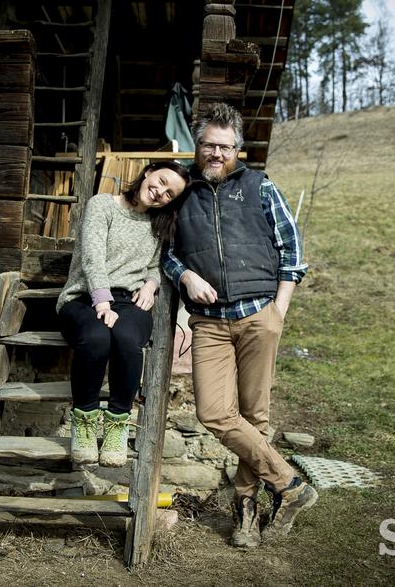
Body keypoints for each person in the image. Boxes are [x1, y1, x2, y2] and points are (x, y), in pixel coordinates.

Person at [161, 103, 317, 548]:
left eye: (224, 146)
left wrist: (279, 311)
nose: (215, 153)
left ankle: (245, 511)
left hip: (258, 317)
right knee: (214, 412)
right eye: (208, 144)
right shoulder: (182, 190)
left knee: (254, 416)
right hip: (209, 323)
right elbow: (165, 250)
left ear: (238, 149)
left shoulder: (260, 186)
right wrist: (184, 275)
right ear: (198, 145)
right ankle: (290, 485)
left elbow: (292, 251)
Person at [57, 161, 190, 468]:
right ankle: (85, 422)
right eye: (160, 182)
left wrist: (152, 284)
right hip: (84, 297)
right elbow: (92, 257)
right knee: (96, 336)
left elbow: (158, 264)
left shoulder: (159, 224)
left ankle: (117, 424)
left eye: (169, 194)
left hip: (129, 302)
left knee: (128, 339)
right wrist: (101, 302)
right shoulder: (103, 205)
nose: (160, 193)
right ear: (147, 173)